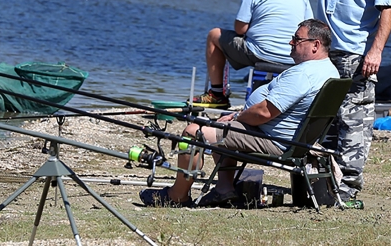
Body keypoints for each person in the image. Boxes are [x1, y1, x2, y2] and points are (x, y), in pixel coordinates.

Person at [226, 0, 391, 203]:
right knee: (323, 119)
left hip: (356, 54)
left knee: (354, 120)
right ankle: (326, 185)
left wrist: (376, 51)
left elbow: (388, 9)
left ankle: (349, 189)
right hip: (326, 53)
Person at [141, 19, 338, 207]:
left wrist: (237, 117)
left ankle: (177, 196)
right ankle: (224, 188)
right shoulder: (329, 71)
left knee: (193, 132)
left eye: (297, 39)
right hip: (291, 139)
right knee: (218, 124)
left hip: (275, 140)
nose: (291, 42)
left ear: (315, 45)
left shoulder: (303, 74)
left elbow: (263, 113)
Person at [192, 0, 312, 109]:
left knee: (214, 35)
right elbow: (309, 27)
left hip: (261, 53)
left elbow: (240, 29)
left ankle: (216, 95)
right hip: (293, 56)